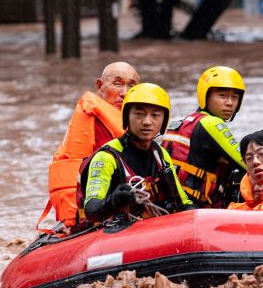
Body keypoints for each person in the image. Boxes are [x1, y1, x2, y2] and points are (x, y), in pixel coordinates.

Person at [37, 62, 140, 232]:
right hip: (92, 212)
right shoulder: (94, 121)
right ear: (100, 86)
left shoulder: (135, 123)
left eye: (132, 86)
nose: (125, 93)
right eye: (118, 83)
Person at [77, 83, 195, 224]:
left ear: (164, 121)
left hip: (153, 230)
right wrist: (113, 201)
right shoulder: (107, 157)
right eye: (139, 114)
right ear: (126, 117)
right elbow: (91, 211)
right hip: (113, 234)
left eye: (155, 115)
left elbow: (183, 203)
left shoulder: (161, 155)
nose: (147, 122)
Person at [162, 66, 247, 208]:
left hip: (171, 204)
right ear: (205, 96)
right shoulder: (211, 123)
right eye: (223, 96)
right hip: (195, 208)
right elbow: (246, 162)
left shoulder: (185, 122)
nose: (230, 103)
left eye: (235, 97)